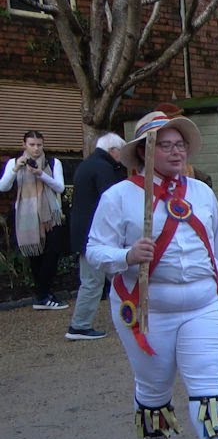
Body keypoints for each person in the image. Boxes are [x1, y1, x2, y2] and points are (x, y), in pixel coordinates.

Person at [85, 109, 218, 439]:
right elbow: (94, 249)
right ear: (144, 152)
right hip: (146, 308)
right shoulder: (120, 197)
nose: (177, 153)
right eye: (166, 146)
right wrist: (126, 256)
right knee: (154, 384)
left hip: (203, 304)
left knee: (208, 379)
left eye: (180, 145)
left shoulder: (202, 192)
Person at [66, 132, 128, 339]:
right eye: (122, 151)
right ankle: (79, 325)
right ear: (113, 150)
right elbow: (112, 201)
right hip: (95, 234)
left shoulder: (87, 165)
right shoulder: (105, 169)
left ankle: (131, 313)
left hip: (83, 231)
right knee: (93, 281)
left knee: (111, 277)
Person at [2, 130, 68, 310]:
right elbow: (3, 186)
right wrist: (16, 168)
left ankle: (44, 294)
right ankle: (43, 295)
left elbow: (60, 187)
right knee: (35, 256)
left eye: (39, 144)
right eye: (32, 144)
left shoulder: (53, 162)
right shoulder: (13, 163)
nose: (36, 148)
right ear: (24, 145)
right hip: (27, 216)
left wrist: (40, 174)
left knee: (52, 253)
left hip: (50, 215)